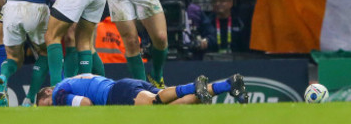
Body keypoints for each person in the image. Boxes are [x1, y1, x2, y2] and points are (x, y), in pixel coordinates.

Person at [35, 73, 248, 106]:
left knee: (157, 102)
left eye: (45, 107)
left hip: (116, 93)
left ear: (46, 93)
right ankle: (228, 84)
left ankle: (195, 85)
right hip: (124, 86)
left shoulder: (57, 93)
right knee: (170, 105)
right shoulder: (70, 81)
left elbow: (87, 104)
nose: (52, 109)